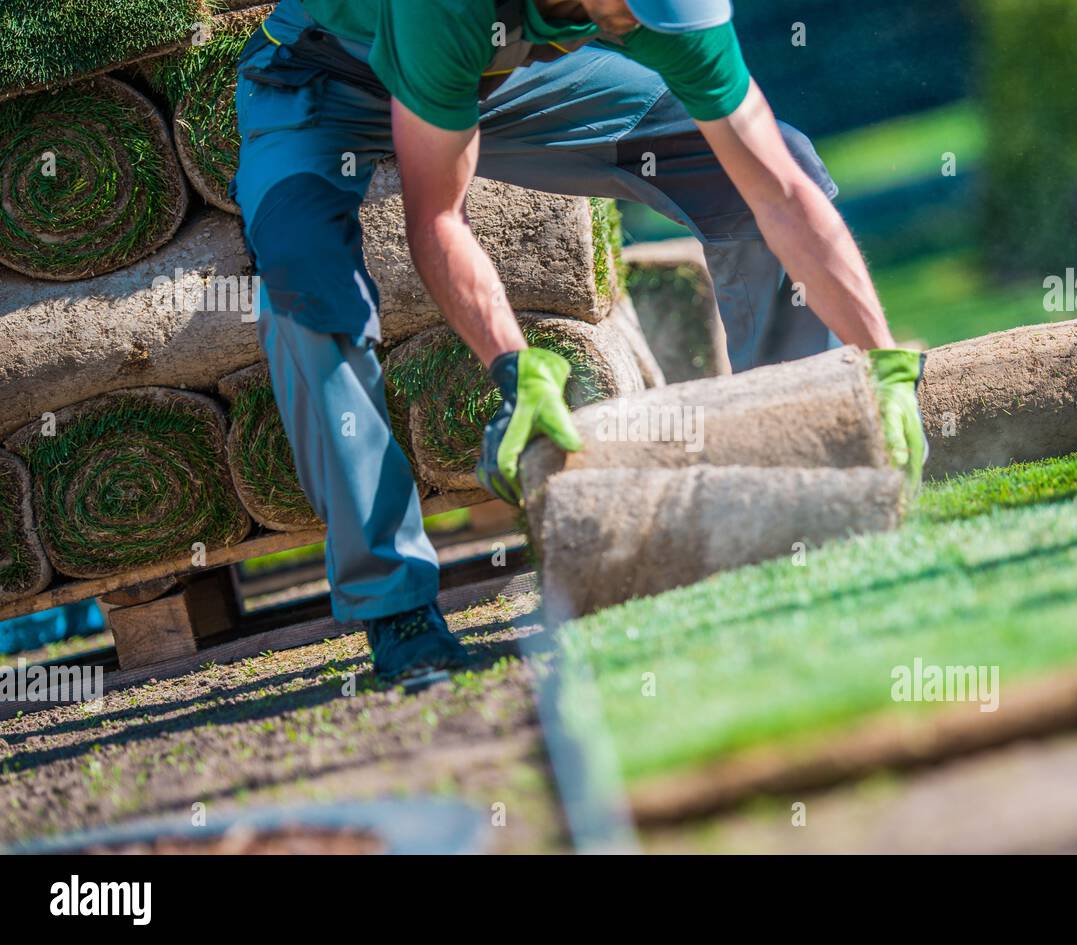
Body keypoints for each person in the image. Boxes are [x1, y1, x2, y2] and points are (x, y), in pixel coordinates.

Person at [232, 0, 927, 688]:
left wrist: (880, 361)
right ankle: (396, 607)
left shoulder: (669, 17)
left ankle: (789, 492)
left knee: (767, 165)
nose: (647, 24)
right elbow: (436, 217)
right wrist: (514, 369)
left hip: (489, 80)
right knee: (308, 284)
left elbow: (779, 191)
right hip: (317, 84)